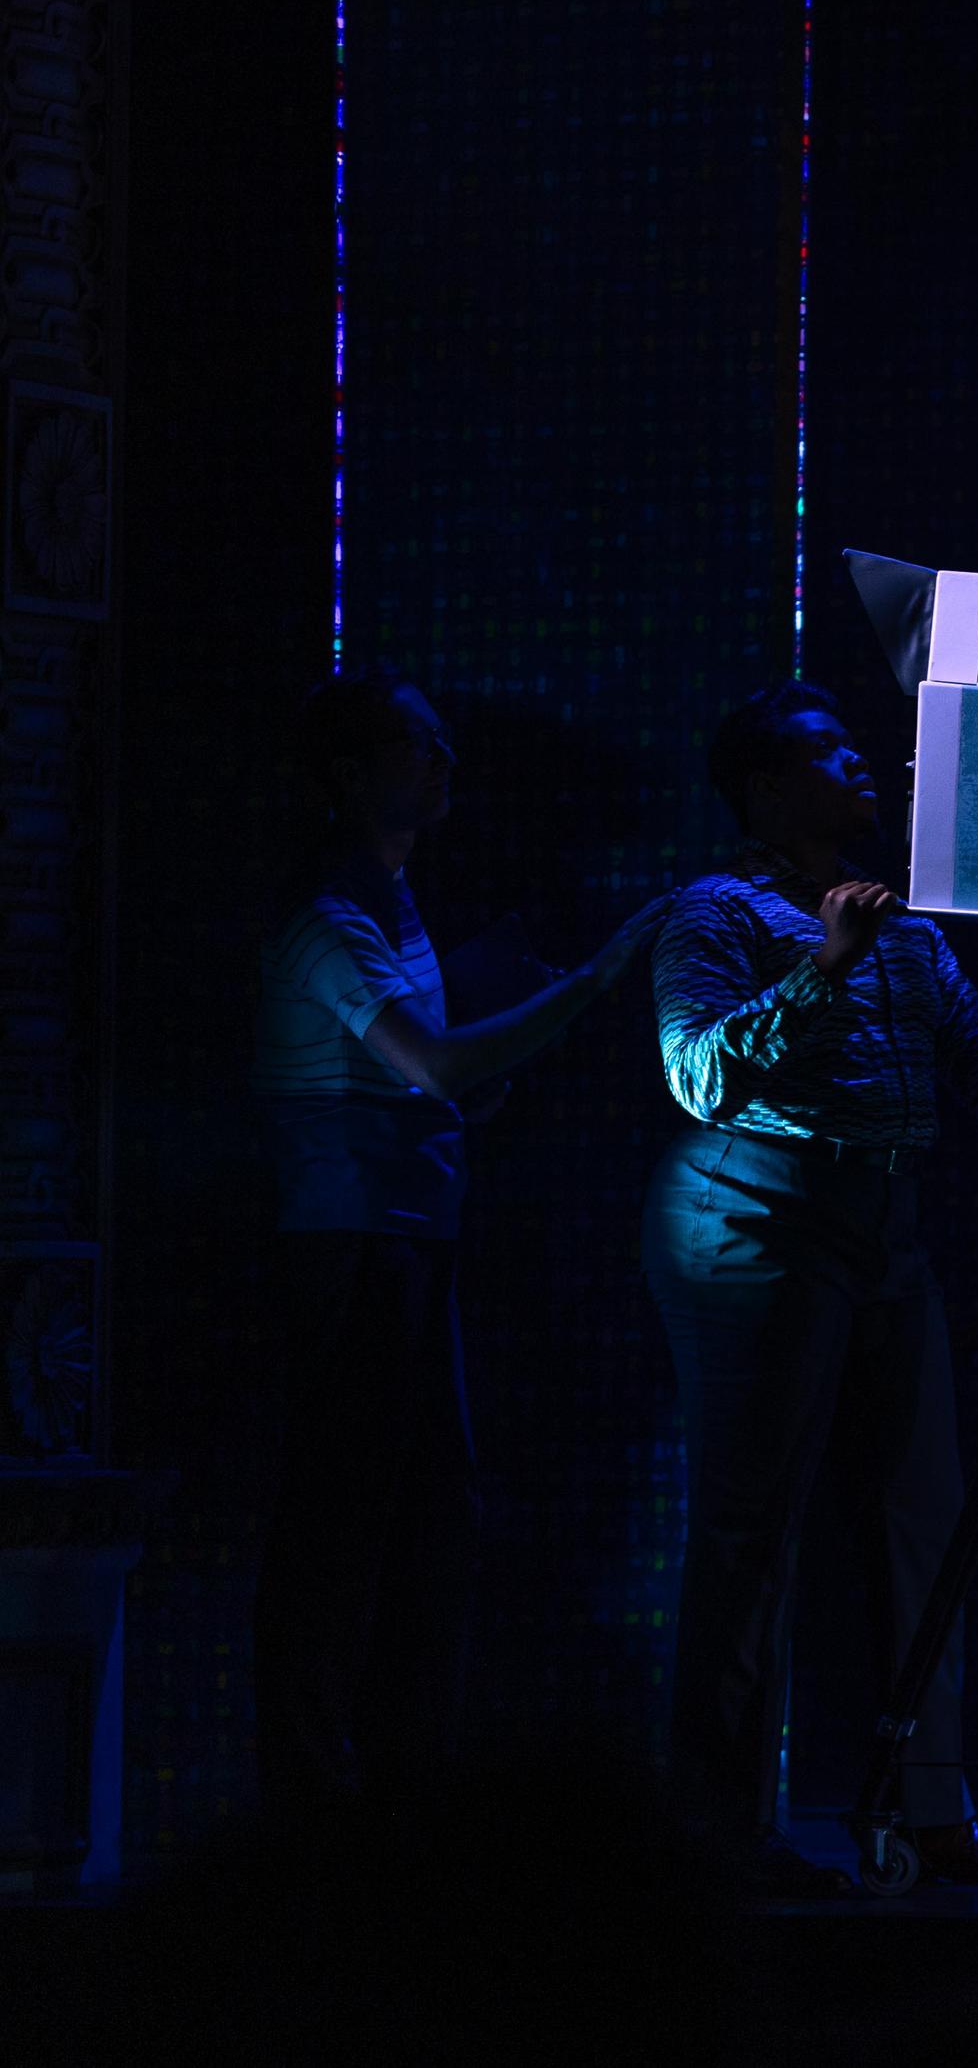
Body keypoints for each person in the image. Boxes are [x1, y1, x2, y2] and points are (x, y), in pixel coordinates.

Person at [648, 683, 978, 1892]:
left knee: (922, 1519)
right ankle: (718, 1830)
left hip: (879, 1230)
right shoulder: (716, 910)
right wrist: (821, 970)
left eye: (856, 747)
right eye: (827, 751)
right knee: (749, 1532)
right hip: (756, 1220)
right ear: (762, 785)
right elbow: (697, 1075)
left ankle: (931, 1809)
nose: (860, 763)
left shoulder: (904, 928)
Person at [248, 668, 657, 1814]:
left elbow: (417, 1079)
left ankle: (395, 1786)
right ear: (347, 772)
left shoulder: (392, 902)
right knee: (345, 1521)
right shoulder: (330, 920)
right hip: (353, 1247)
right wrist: (595, 979)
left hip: (408, 1240)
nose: (445, 764)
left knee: (426, 1515)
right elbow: (432, 1062)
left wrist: (463, 1097)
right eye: (416, 745)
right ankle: (315, 1794)